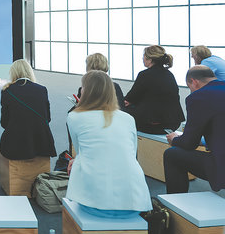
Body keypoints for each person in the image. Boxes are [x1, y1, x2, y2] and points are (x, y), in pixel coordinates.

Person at [67, 71, 152, 217]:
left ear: (86, 91)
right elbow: (132, 152)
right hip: (135, 201)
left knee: (77, 161)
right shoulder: (128, 118)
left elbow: (81, 152)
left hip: (93, 203)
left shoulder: (74, 116)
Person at [164, 66, 225, 193]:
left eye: (189, 87)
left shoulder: (199, 97)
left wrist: (174, 139)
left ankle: (176, 201)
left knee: (172, 154)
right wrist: (203, 141)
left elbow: (189, 143)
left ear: (194, 81)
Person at [0, 59, 56, 161]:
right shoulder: (42, 89)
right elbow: (48, 118)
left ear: (13, 73)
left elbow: (4, 123)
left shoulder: (7, 91)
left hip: (15, 145)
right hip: (42, 142)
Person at [123, 45, 184, 134]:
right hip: (173, 123)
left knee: (120, 110)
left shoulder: (145, 74)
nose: (142, 59)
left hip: (153, 125)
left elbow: (130, 98)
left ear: (150, 59)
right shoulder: (169, 74)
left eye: (144, 56)